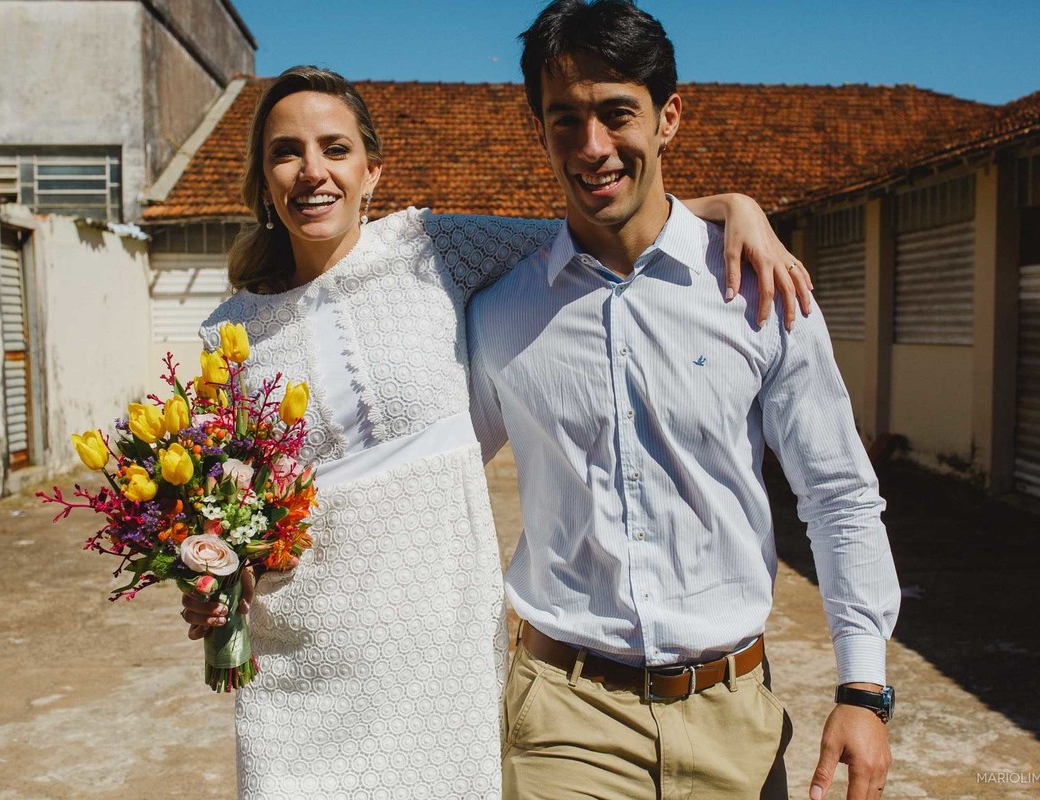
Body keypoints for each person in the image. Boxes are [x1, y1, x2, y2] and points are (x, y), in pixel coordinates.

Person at [177, 64, 813, 798]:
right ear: (263, 178)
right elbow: (232, 508)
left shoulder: (433, 249)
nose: (312, 171)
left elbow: (595, 227)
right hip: (300, 662)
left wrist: (732, 206)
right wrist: (214, 578)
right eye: (286, 152)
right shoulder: (229, 335)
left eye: (335, 148)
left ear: (373, 170)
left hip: (443, 657)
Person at [466, 2, 901, 799]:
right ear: (539, 132)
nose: (592, 146)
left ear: (669, 116)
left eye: (616, 113)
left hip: (733, 714)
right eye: (565, 120)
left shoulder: (761, 290)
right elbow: (434, 475)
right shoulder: (501, 314)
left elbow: (838, 493)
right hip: (566, 717)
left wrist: (863, 688)